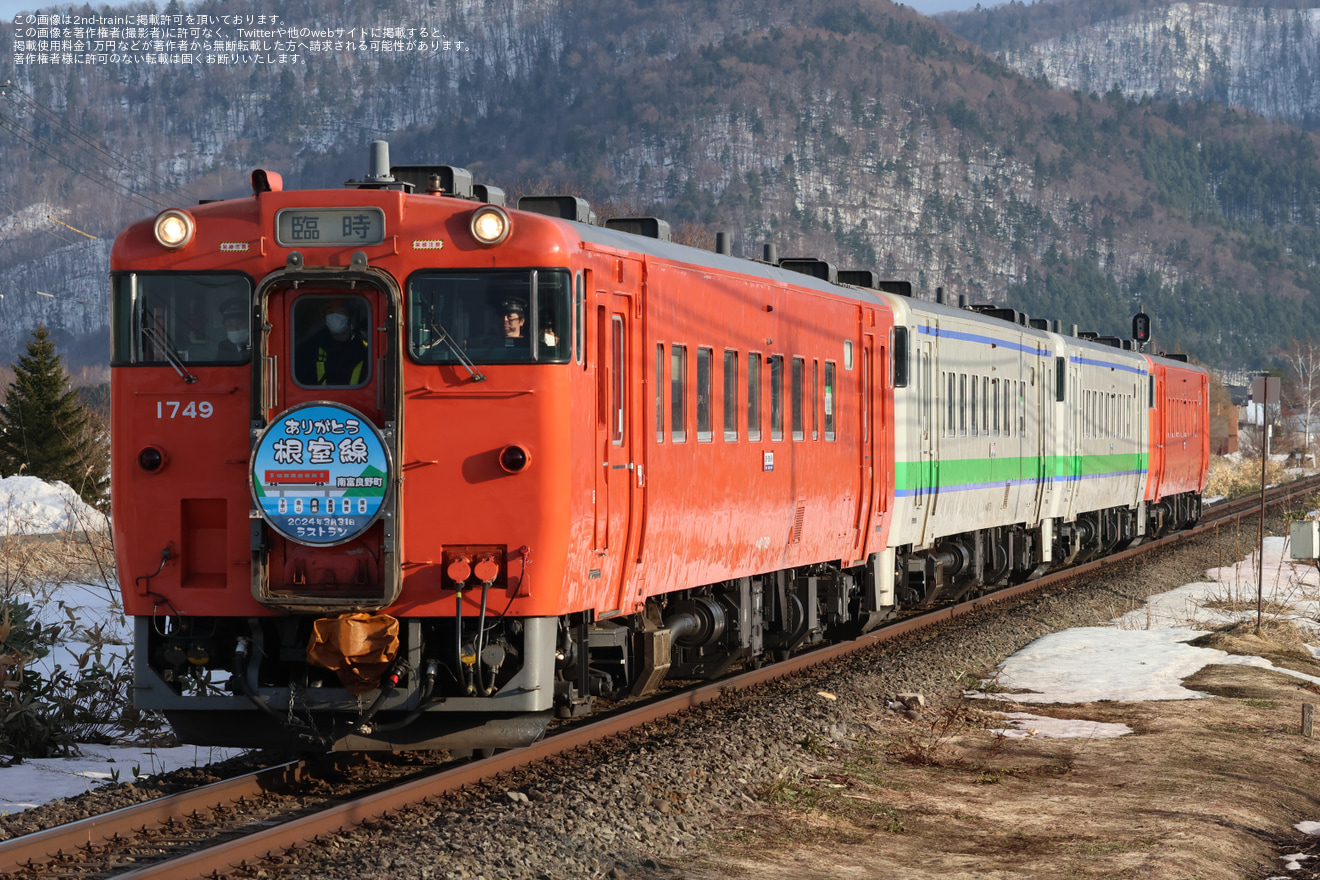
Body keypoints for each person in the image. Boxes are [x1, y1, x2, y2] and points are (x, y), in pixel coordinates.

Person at [298, 298, 369, 385]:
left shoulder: (364, 349)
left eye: (340, 311)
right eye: (330, 311)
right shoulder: (309, 349)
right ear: (324, 316)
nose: (334, 315)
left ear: (349, 316)